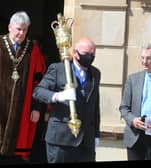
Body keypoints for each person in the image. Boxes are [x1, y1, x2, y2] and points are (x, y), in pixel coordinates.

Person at [32, 37, 101, 163]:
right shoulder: (58, 69)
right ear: (75, 53)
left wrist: (96, 134)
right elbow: (38, 92)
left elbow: (95, 106)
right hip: (61, 139)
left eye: (93, 54)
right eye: (86, 54)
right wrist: (58, 96)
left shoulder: (95, 73)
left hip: (86, 141)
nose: (90, 57)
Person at [0, 11, 46, 163]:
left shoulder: (32, 49)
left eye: (25, 30)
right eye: (19, 29)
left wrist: (37, 108)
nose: (21, 33)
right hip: (1, 105)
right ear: (10, 27)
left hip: (23, 108)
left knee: (17, 156)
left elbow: (39, 82)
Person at [119, 43, 151, 160]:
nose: (144, 62)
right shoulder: (132, 79)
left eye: (148, 58)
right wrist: (133, 120)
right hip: (135, 136)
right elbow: (124, 107)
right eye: (142, 58)